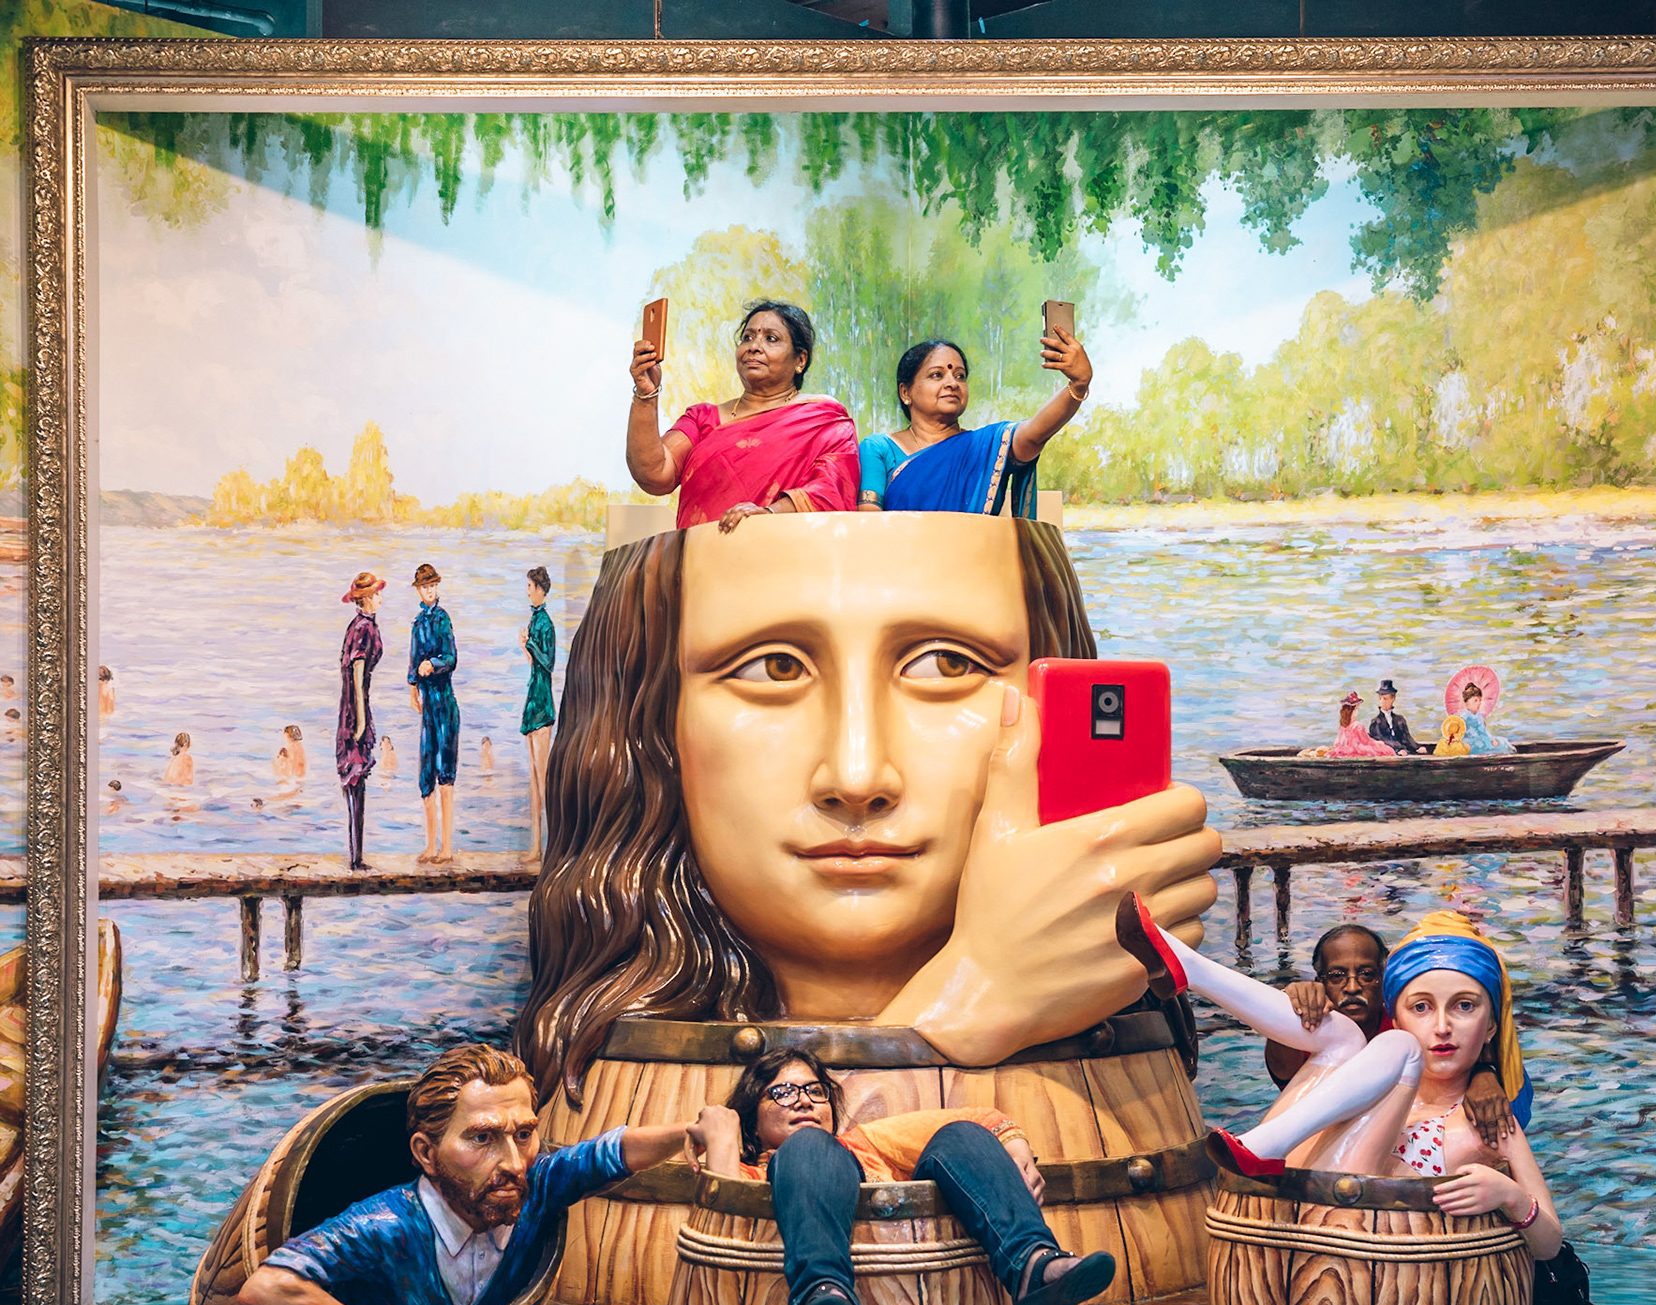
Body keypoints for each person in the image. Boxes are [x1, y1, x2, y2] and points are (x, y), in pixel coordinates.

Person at [516, 515, 1219, 1103]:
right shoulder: (605, 1088)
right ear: (648, 721)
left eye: (947, 664)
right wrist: (971, 996)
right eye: (773, 668)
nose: (856, 776)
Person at [1116, 900, 1559, 1259]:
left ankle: (1190, 972)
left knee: (1389, 1047)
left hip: (1350, 1229)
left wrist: (1512, 1198)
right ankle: (1187, 968)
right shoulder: (1369, 1078)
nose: (1442, 1027)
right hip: (1288, 1201)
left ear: (1491, 1024)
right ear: (1395, 1013)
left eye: (1464, 1007)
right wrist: (1293, 999)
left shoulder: (1487, 1121)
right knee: (1348, 1037)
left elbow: (1551, 1244)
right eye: (1421, 1008)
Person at [235, 1043, 701, 1305]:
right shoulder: (386, 1224)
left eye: (524, 1135)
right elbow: (267, 1288)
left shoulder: (536, 1187)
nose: (513, 1163)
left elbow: (609, 1153)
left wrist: (690, 1132)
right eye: (482, 1138)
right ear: (426, 1152)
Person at [684, 1046, 1115, 1305]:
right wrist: (723, 1134)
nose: (803, 1100)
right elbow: (725, 1211)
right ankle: (823, 1294)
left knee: (962, 1136)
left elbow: (977, 1120)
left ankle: (1033, 1264)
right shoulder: (749, 1172)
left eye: (815, 1091)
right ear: (753, 1122)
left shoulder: (864, 1143)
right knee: (807, 1147)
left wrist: (1016, 1147)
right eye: (781, 1093)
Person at [1263, 923, 1513, 1146]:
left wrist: (1484, 1076)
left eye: (1366, 975)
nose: (1352, 987)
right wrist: (1288, 1010)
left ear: (1384, 981)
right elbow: (1283, 1071)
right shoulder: (1310, 1024)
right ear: (1320, 982)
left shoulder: (1404, 1026)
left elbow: (1453, 1059)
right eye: (1337, 976)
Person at [625, 299, 859, 531]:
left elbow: (832, 488)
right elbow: (654, 474)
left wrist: (769, 514)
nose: (753, 346)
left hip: (782, 550)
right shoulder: (703, 418)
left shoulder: (823, 417)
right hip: (702, 553)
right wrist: (646, 394)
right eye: (747, 337)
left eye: (771, 338)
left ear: (800, 360)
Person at [855, 334, 1091, 517]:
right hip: (902, 563)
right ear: (905, 392)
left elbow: (1033, 434)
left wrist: (1078, 385)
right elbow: (870, 525)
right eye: (937, 375)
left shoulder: (985, 449)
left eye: (960, 376)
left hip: (974, 564)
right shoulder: (879, 448)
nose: (952, 383)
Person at [408, 564, 460, 864]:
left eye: (432, 586)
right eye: (424, 587)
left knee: (445, 774)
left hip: (445, 705)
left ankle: (447, 846)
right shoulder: (418, 623)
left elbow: (452, 658)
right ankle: (430, 845)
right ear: (418, 590)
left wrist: (434, 664)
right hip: (428, 706)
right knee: (426, 773)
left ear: (437, 588)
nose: (429, 591)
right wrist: (412, 688)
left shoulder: (442, 619)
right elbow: (413, 660)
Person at [337, 572, 385, 871]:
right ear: (365, 599)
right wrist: (362, 718)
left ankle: (357, 854)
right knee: (356, 777)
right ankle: (356, 857)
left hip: (353, 703)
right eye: (376, 594)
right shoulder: (364, 627)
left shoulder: (360, 625)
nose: (380, 598)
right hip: (355, 705)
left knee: (356, 779)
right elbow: (357, 672)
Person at [519, 566, 556, 861]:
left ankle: (550, 846)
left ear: (541, 589)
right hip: (533, 700)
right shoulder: (535, 620)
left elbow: (548, 662)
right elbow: (535, 663)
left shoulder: (546, 623)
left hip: (542, 703)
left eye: (531, 586)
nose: (528, 591)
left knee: (542, 778)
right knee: (533, 779)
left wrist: (529, 643)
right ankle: (535, 847)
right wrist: (525, 647)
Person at [1329, 691, 1398, 758]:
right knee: (1387, 750)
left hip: (1345, 749)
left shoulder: (1343, 726)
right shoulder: (1358, 725)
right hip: (1357, 750)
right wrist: (1378, 743)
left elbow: (1338, 742)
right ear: (1353, 711)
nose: (1357, 711)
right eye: (1357, 708)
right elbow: (1367, 741)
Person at [1459, 682, 1515, 755]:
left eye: (1480, 700)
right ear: (1467, 703)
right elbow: (1460, 734)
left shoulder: (1479, 715)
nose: (1479, 703)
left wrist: (1491, 739)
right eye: (1475, 700)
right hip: (1471, 742)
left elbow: (1484, 730)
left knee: (1500, 742)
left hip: (1483, 739)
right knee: (1483, 746)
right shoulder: (1464, 717)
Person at [1367, 680, 1418, 754]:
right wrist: (1398, 750)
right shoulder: (1376, 722)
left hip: (1404, 751)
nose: (1382, 702)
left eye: (1385, 699)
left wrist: (1417, 747)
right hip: (1388, 754)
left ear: (1393, 698)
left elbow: (1407, 738)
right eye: (1380, 698)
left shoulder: (1400, 719)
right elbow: (1382, 741)